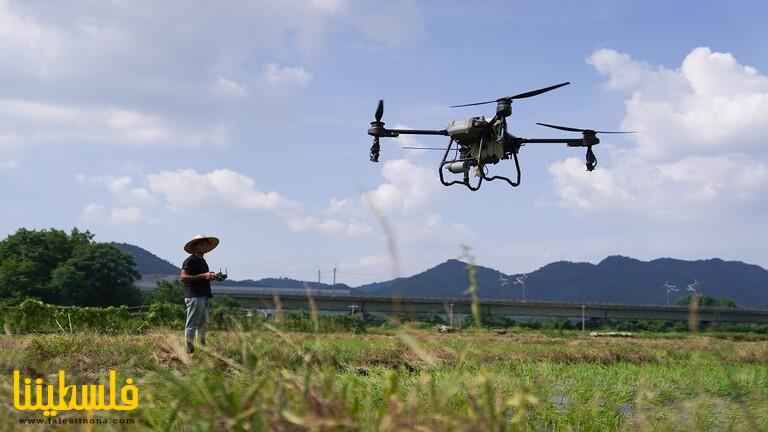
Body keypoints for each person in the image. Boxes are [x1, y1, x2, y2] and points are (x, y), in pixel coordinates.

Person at [179, 234, 219, 354]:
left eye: (206, 244)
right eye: (202, 243)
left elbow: (202, 277)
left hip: (203, 295)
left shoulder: (202, 261)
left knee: (203, 324)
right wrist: (204, 275)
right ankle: (189, 350)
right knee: (192, 324)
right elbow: (183, 277)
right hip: (194, 296)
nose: (205, 246)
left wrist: (210, 277)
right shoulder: (190, 260)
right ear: (195, 246)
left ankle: (202, 348)